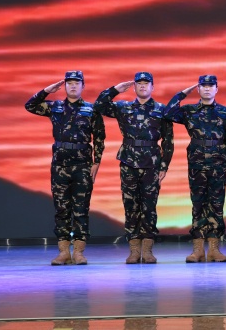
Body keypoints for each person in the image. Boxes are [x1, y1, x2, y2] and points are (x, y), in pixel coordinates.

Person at [25, 71, 105, 266]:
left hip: (82, 165)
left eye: (77, 83)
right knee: (61, 209)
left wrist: (96, 162)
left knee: (81, 209)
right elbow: (30, 105)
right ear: (65, 86)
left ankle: (78, 252)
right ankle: (63, 252)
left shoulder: (91, 110)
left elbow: (99, 137)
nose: (73, 86)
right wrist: (46, 91)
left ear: (83, 86)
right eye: (69, 83)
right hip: (60, 165)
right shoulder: (55, 107)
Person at [95, 72, 174, 264]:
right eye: (139, 83)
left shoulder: (162, 110)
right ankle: (134, 250)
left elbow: (168, 140)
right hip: (129, 161)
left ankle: (147, 250)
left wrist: (164, 165)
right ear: (134, 86)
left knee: (149, 207)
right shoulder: (124, 107)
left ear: (152, 87)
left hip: (152, 163)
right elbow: (99, 106)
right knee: (130, 206)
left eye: (146, 83)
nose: (142, 86)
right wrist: (115, 90)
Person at [165, 75, 226, 263]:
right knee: (198, 204)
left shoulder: (224, 112)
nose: (207, 88)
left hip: (218, 163)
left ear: (216, 89)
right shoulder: (189, 111)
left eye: (211, 85)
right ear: (198, 89)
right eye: (203, 86)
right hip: (197, 162)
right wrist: (183, 93)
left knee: (216, 205)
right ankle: (197, 249)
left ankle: (214, 249)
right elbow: (168, 113)